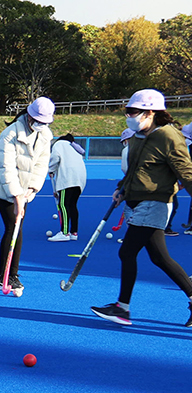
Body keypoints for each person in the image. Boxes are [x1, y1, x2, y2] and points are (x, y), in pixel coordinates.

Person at [90, 89, 192, 328]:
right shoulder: (138, 136)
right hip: (137, 201)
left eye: (133, 112)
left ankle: (122, 308)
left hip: (154, 202)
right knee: (159, 258)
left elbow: (186, 172)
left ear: (150, 112)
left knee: (127, 252)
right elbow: (135, 169)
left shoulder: (169, 136)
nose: (129, 116)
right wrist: (122, 188)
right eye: (127, 111)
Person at [0, 96, 54, 297]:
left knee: (18, 227)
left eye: (45, 122)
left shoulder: (45, 135)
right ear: (29, 116)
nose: (42, 125)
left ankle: (10, 275)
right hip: (4, 186)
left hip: (24, 188)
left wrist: (31, 190)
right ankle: (4, 277)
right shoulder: (10, 133)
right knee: (13, 227)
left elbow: (41, 165)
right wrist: (16, 197)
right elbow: (7, 168)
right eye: (39, 121)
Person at [47, 133, 87, 242]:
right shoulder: (73, 147)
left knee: (63, 205)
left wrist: (51, 170)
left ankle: (64, 233)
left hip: (68, 178)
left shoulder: (59, 144)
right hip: (80, 179)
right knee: (72, 205)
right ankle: (74, 232)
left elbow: (55, 157)